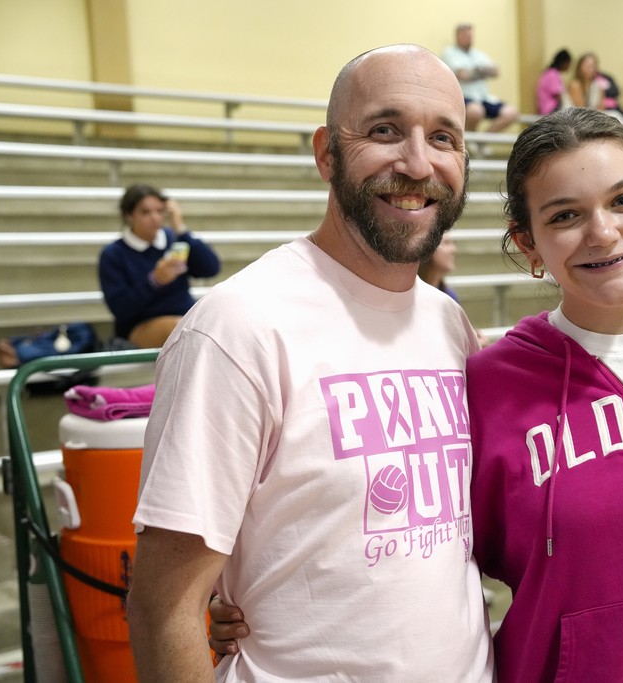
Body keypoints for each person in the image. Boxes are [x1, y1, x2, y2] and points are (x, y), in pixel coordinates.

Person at [209, 107, 623, 682]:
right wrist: (254, 597)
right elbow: (414, 548)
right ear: (529, 244)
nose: (603, 232)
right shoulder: (493, 384)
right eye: (566, 216)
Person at [126, 44, 494, 682]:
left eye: (443, 137)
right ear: (327, 152)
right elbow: (166, 609)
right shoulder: (238, 327)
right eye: (384, 130)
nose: (417, 161)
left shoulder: (448, 324)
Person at [98, 184, 220, 349]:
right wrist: (154, 281)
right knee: (184, 330)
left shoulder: (173, 238)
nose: (155, 217)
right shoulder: (113, 254)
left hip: (184, 317)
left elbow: (210, 268)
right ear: (128, 215)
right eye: (145, 212)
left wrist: (181, 229)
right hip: (140, 327)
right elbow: (121, 309)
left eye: (160, 211)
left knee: (218, 319)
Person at [442, 23, 518, 136]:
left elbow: (495, 71)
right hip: (465, 97)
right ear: (457, 36)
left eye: (469, 35)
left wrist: (473, 72)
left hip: (483, 97)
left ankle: (483, 140)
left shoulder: (478, 54)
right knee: (475, 111)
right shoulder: (449, 53)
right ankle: (470, 140)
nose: (468, 38)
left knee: (512, 112)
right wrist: (482, 71)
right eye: (464, 35)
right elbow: (462, 75)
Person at [418, 233, 491, 348]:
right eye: (446, 243)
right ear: (427, 248)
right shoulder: (412, 296)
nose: (454, 250)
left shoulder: (449, 295)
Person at [568, 53, 623, 127]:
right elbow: (580, 109)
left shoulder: (597, 84)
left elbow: (602, 107)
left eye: (593, 66)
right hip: (577, 117)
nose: (590, 69)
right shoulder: (575, 85)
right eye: (587, 66)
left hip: (593, 115)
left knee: (615, 115)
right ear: (580, 67)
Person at [536, 49, 572, 115]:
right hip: (549, 110)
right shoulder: (552, 74)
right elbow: (558, 95)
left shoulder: (550, 73)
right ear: (564, 62)